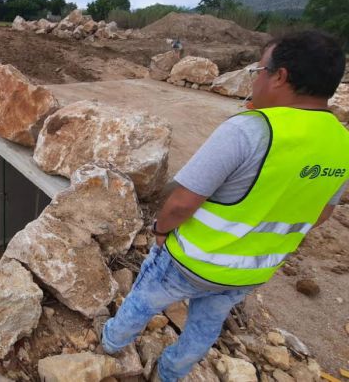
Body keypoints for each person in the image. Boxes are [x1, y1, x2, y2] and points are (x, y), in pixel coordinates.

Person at [100, 30, 349, 381]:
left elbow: (182, 202)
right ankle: (171, 373)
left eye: (258, 71)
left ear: (280, 76)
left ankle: (111, 345)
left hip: (192, 260)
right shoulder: (342, 142)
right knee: (205, 326)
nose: (255, 79)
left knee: (143, 300)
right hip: (252, 271)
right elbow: (322, 213)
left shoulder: (251, 129)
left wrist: (159, 231)